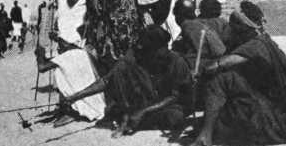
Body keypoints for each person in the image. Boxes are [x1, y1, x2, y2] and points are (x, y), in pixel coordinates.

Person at [171, 1, 286, 146]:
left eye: (233, 26)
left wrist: (200, 71)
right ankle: (209, 130)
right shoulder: (260, 40)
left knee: (220, 80)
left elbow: (219, 64)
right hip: (276, 108)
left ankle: (204, 143)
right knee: (224, 101)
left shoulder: (257, 45)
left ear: (242, 28)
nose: (230, 29)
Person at [64, 25, 194, 138]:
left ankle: (132, 119)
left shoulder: (176, 62)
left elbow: (175, 96)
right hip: (148, 100)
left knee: (175, 117)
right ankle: (130, 117)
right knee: (122, 66)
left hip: (169, 104)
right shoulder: (140, 55)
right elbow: (107, 80)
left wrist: (144, 111)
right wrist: (75, 97)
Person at [35, 0, 105, 127]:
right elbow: (62, 8)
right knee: (63, 70)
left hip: (75, 35)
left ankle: (72, 109)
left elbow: (72, 1)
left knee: (71, 70)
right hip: (64, 32)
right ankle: (67, 107)